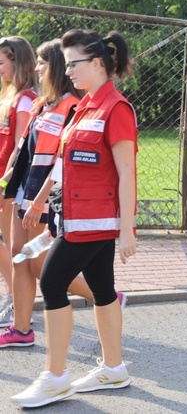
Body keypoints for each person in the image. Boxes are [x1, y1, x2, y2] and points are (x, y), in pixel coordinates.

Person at [12, 29, 137, 408]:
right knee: (101, 289)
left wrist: (128, 227)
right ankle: (114, 369)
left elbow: (127, 172)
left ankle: (55, 377)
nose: (69, 72)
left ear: (98, 63)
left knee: (51, 282)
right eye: (66, 65)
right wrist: (37, 202)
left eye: (74, 64)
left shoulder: (117, 108)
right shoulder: (83, 107)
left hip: (95, 221)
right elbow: (64, 164)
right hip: (76, 217)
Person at [0, 39, 102, 349]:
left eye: (43, 63)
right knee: (22, 260)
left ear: (54, 66)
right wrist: (8, 177)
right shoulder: (42, 104)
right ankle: (21, 329)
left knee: (32, 263)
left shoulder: (72, 106)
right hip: (24, 190)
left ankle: (105, 297)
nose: (37, 68)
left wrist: (42, 198)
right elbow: (24, 148)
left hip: (43, 195)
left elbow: (62, 162)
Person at [0, 36, 38, 327]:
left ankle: (17, 301)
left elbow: (19, 147)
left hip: (8, 183)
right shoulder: (8, 95)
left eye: (2, 62)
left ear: (18, 63)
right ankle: (14, 296)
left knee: (18, 250)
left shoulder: (25, 100)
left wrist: (4, 183)